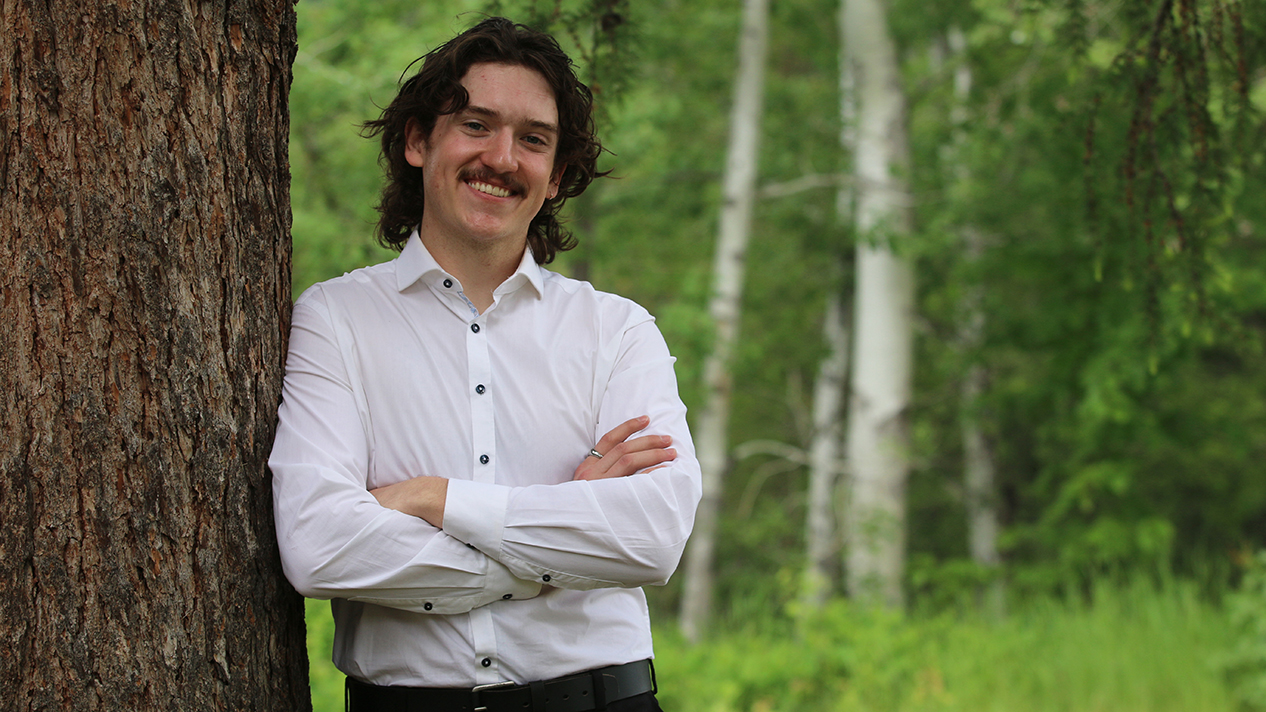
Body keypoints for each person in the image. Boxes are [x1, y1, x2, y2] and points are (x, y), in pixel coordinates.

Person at [268, 16, 701, 712]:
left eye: (533, 139)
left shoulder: (617, 331)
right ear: (418, 140)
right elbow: (319, 546)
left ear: (557, 176)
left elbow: (650, 540)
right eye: (476, 124)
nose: (502, 157)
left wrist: (432, 499)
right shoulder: (336, 319)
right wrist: (556, 552)